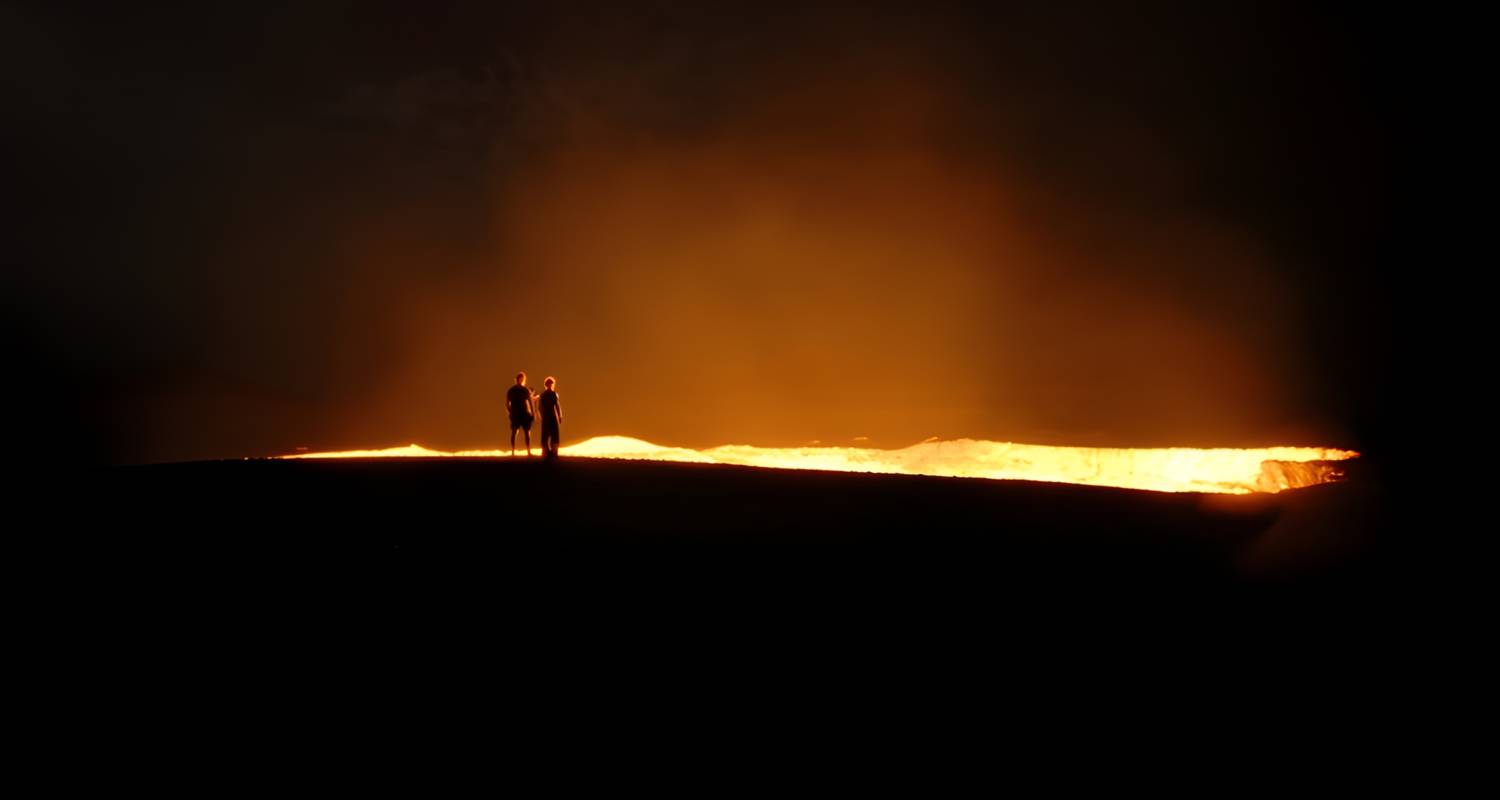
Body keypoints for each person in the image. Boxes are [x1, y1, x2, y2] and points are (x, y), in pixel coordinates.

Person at [505, 371, 535, 456]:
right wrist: (511, 412)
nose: (521, 380)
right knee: (516, 432)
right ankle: (514, 451)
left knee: (526, 432)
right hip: (518, 413)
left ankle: (527, 451)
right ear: (518, 379)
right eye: (521, 379)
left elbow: (529, 401)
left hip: (523, 413)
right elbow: (507, 403)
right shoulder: (513, 390)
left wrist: (532, 413)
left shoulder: (522, 390)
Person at [538, 376, 562, 458]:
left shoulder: (547, 394)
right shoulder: (550, 394)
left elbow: (557, 406)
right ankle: (549, 452)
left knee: (549, 435)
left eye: (551, 384)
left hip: (549, 416)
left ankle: (550, 452)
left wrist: (559, 415)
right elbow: (540, 407)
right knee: (551, 435)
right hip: (550, 416)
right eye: (550, 384)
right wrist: (559, 416)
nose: (551, 385)